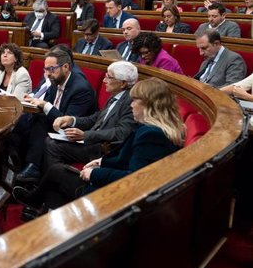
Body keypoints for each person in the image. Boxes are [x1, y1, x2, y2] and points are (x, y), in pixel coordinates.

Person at [14, 78, 183, 215]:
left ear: (150, 104)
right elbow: (127, 156)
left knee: (56, 174)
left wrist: (95, 174)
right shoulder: (151, 129)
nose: (131, 105)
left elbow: (134, 179)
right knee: (57, 172)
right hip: (109, 173)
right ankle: (44, 212)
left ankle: (38, 206)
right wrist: (101, 162)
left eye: (135, 100)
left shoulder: (151, 135)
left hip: (111, 195)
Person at [9, 49, 96, 183]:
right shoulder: (56, 80)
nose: (48, 74)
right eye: (46, 69)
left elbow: (67, 120)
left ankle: (33, 168)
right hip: (54, 123)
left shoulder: (81, 88)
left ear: (66, 67)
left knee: (39, 121)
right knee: (20, 122)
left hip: (75, 132)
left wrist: (44, 105)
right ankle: (14, 164)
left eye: (51, 69)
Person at [44, 60, 139, 173]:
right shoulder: (115, 96)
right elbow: (95, 118)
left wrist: (85, 135)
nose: (104, 81)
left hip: (104, 149)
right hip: (94, 142)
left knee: (52, 145)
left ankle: (61, 181)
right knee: (50, 139)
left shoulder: (131, 101)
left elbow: (121, 132)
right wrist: (71, 120)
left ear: (123, 83)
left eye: (109, 77)